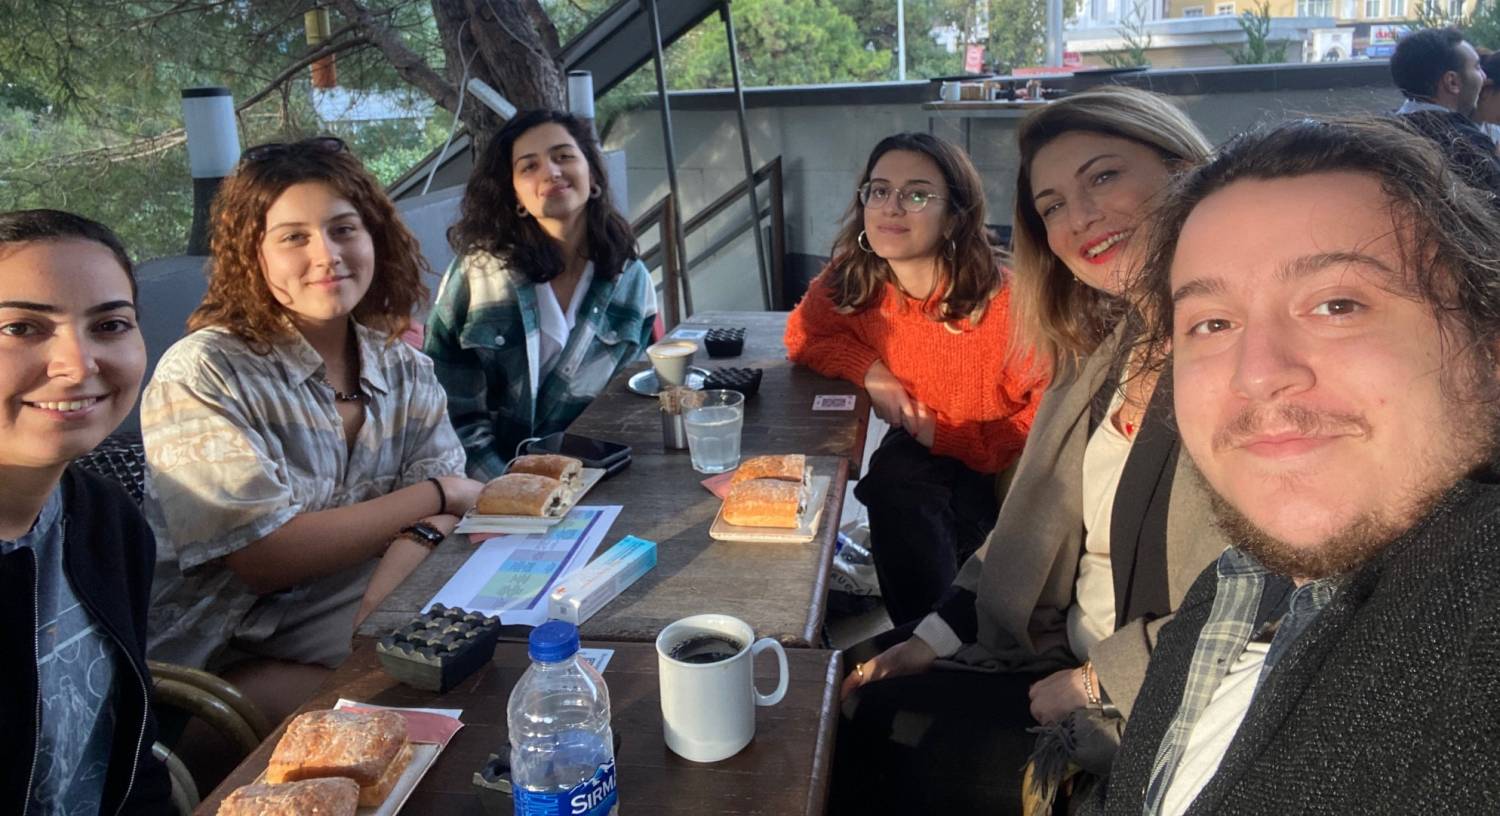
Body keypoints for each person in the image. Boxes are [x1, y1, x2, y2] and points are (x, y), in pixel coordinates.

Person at [1087, 116, 1500, 814]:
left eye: (1337, 305)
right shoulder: (1226, 593)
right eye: (1212, 323)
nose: (1257, 373)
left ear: (1488, 352)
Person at [831, 87, 1226, 813]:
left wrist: (1100, 680)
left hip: (1143, 706)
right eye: (1052, 206)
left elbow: (1279, 592)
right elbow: (1030, 526)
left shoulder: (1240, 364)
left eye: (1103, 176)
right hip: (1050, 643)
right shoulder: (1105, 354)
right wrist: (935, 635)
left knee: (860, 732)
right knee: (838, 678)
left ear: (1186, 170)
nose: (1081, 217)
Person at [142, 137, 482, 722]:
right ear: (253, 255)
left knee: (496, 638)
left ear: (375, 237)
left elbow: (446, 520)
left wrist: (387, 591)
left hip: (352, 608)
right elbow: (264, 555)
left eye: (344, 229)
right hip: (220, 654)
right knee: (443, 697)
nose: (326, 255)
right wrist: (438, 493)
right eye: (293, 237)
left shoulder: (404, 368)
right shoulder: (205, 371)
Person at [784, 132, 1047, 626]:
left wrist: (950, 438)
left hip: (1009, 457)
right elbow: (803, 335)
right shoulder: (855, 278)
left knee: (924, 499)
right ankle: (916, 638)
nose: (892, 207)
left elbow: (1049, 412)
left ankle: (945, 642)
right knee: (893, 482)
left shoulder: (1007, 305)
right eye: (879, 190)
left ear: (954, 217)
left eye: (918, 195)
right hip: (925, 445)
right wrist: (871, 371)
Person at [0, 209, 171, 813]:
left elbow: (131, 756)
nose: (78, 365)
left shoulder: (107, 521)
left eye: (110, 325)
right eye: (20, 327)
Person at [426, 110, 657, 480]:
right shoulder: (477, 275)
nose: (551, 171)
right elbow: (450, 412)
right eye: (529, 166)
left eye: (563, 156)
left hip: (600, 478)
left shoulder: (631, 281)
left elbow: (634, 407)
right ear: (515, 194)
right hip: (488, 483)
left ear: (593, 175)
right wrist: (509, 489)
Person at [1390, 27, 1500, 194]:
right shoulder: (1467, 145)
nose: (1484, 78)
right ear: (1452, 82)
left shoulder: (1386, 130)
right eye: (1477, 67)